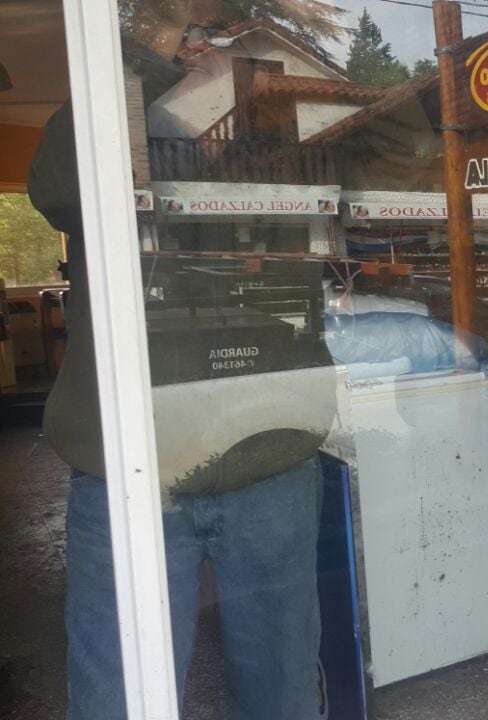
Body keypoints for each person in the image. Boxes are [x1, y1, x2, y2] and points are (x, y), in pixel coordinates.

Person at [29, 6, 333, 718]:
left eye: (222, 31)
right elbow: (55, 189)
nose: (204, 46)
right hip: (130, 471)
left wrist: (261, 87)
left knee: (283, 695)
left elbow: (377, 170)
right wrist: (147, 61)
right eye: (187, 29)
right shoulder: (120, 84)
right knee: (117, 699)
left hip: (271, 454)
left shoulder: (284, 96)